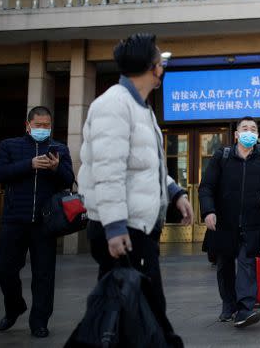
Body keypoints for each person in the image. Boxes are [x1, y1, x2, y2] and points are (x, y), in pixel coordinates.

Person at [79, 33, 194, 343]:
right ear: (151, 67)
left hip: (138, 230)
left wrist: (175, 192)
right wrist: (115, 228)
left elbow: (147, 165)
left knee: (131, 312)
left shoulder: (141, 108)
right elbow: (108, 171)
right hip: (124, 231)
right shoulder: (113, 105)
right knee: (145, 312)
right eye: (160, 60)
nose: (163, 65)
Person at [0, 106, 74, 338]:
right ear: (28, 125)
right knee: (5, 268)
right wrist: (29, 164)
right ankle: (14, 306)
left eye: (47, 125)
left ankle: (39, 322)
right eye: (38, 125)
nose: (43, 129)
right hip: (14, 219)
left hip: (45, 222)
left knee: (44, 274)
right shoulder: (9, 146)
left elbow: (69, 180)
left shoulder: (59, 149)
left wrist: (57, 168)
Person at [198, 116, 260, 327]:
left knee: (247, 263)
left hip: (251, 222)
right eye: (244, 128)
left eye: (253, 129)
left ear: (257, 135)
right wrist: (208, 211)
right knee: (224, 266)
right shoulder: (223, 156)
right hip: (223, 222)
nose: (249, 132)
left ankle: (245, 310)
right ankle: (229, 304)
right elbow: (206, 187)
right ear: (236, 134)